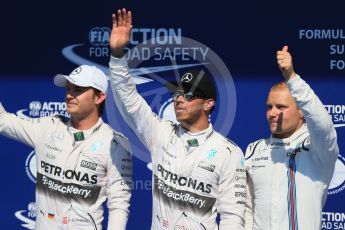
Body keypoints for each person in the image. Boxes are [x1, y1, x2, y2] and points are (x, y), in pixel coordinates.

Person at [108, 8, 246, 230]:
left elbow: (232, 218)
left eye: (188, 95)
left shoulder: (228, 152)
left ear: (208, 103)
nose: (179, 100)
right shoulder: (160, 133)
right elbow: (129, 101)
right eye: (176, 93)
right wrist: (117, 56)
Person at [0, 65, 132, 229]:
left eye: (78, 89)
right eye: (68, 89)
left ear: (99, 97)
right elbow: (2, 121)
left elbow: (118, 204)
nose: (69, 95)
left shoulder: (115, 143)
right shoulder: (48, 127)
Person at [244, 46, 339, 230]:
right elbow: (247, 208)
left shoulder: (316, 149)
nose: (272, 113)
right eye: (269, 107)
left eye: (281, 107)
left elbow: (322, 124)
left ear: (302, 112)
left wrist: (292, 77)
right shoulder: (254, 149)